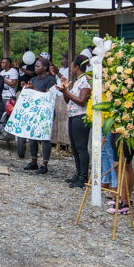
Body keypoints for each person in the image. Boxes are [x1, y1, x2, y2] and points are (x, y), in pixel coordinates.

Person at [56, 56, 92, 188]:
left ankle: (83, 177)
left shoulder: (85, 82)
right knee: (75, 147)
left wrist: (66, 91)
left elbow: (82, 101)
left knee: (82, 147)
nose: (71, 69)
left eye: (72, 67)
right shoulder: (77, 82)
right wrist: (65, 88)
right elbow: (68, 100)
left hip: (81, 116)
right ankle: (78, 173)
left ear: (77, 67)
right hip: (73, 115)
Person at [22, 57, 57, 174]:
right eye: (35, 66)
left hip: (46, 111)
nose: (36, 68)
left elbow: (48, 95)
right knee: (32, 137)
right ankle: (34, 161)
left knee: (44, 138)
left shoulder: (51, 79)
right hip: (35, 111)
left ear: (45, 67)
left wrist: (34, 89)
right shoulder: (33, 79)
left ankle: (44, 164)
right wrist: (26, 88)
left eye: (38, 66)